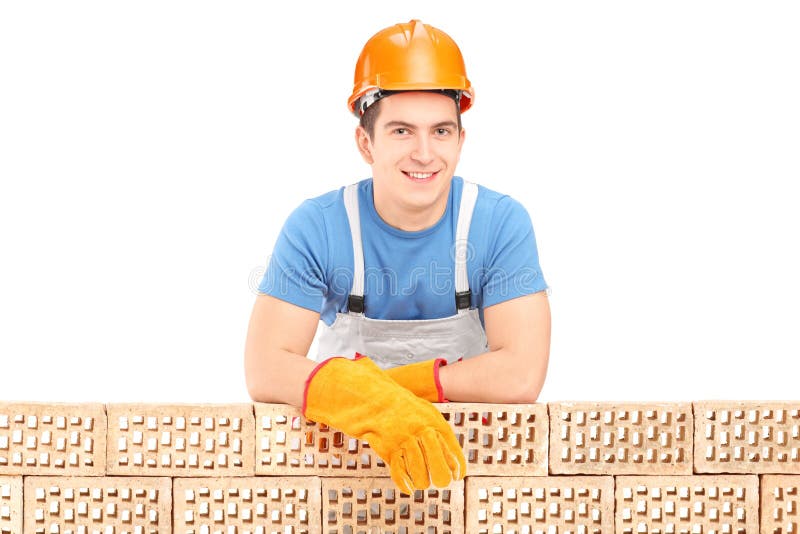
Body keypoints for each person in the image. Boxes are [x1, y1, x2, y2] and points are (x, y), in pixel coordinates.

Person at [244, 19, 551, 494]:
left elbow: (521, 374)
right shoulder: (320, 227)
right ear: (366, 143)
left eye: (441, 131)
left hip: (466, 472)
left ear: (461, 140)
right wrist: (368, 405)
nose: (425, 153)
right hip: (344, 472)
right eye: (402, 130)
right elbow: (265, 367)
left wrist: (391, 393)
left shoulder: (498, 225)